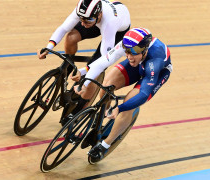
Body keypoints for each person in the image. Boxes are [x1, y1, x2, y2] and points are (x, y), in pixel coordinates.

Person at [72, 27, 173, 162]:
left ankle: (105, 144)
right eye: (126, 51)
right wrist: (84, 80)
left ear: (144, 49)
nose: (129, 56)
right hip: (139, 63)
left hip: (157, 73)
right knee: (107, 83)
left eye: (133, 52)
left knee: (129, 102)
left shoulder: (154, 62)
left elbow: (143, 94)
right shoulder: (129, 45)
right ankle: (102, 116)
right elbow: (103, 62)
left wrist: (120, 108)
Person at [37, 0, 131, 125]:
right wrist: (48, 47)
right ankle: (68, 68)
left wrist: (85, 71)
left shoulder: (109, 23)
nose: (83, 24)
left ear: (100, 14)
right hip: (98, 21)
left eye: (87, 21)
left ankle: (79, 109)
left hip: (117, 31)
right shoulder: (84, 12)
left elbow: (105, 59)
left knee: (95, 69)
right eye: (81, 20)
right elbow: (64, 28)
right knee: (71, 36)